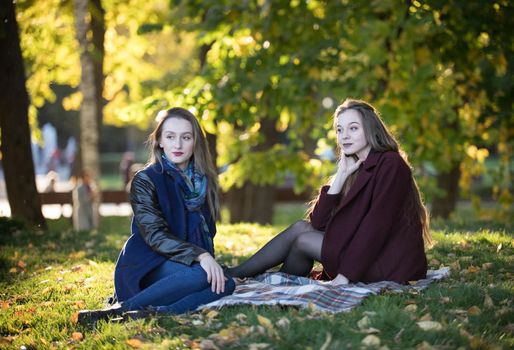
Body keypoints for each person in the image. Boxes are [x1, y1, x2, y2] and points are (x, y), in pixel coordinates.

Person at [227, 98, 431, 285]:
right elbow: (318, 223)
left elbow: (376, 226)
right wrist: (340, 176)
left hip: (387, 262)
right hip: (361, 252)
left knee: (302, 239)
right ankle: (249, 277)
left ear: (371, 129)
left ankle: (237, 275)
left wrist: (345, 276)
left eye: (353, 128)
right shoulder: (353, 166)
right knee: (301, 229)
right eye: (340, 130)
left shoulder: (390, 164)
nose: (345, 136)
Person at [78, 107, 234, 324]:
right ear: (160, 140)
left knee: (226, 283)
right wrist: (202, 257)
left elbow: (209, 232)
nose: (177, 145)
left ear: (195, 142)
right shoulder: (145, 180)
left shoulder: (205, 182)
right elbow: (155, 236)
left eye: (186, 137)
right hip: (148, 263)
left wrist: (210, 262)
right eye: (170, 137)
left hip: (185, 263)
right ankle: (118, 310)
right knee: (201, 275)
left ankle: (157, 313)